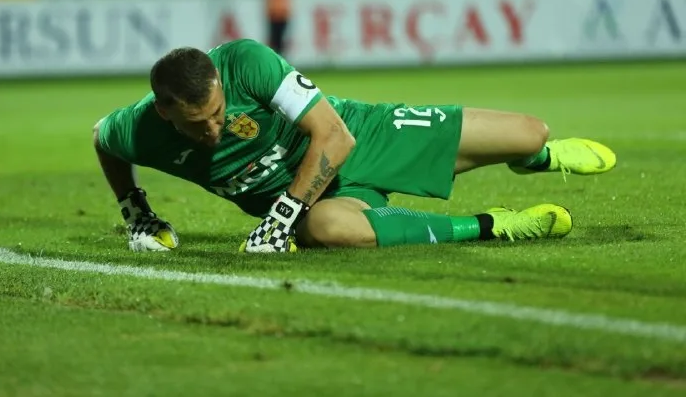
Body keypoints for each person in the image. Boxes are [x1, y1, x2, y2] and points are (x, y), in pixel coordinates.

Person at [93, 39, 616, 254]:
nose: (213, 130)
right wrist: (136, 212)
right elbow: (102, 138)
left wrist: (278, 220)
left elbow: (335, 136)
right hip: (320, 200)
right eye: (197, 125)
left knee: (532, 131)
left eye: (218, 114)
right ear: (164, 111)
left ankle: (537, 160)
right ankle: (495, 224)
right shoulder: (137, 128)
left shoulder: (247, 63)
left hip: (363, 139)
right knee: (329, 229)